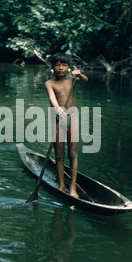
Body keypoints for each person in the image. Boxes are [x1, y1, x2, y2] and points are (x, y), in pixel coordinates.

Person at [45, 53, 88, 198]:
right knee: (59, 153)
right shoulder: (49, 83)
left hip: (72, 117)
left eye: (64, 65)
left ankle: (73, 188)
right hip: (57, 118)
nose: (61, 68)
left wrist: (79, 74)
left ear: (68, 68)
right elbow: (52, 97)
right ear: (52, 68)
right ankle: (62, 184)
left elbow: (85, 80)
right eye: (57, 65)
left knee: (73, 154)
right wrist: (57, 108)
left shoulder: (73, 80)